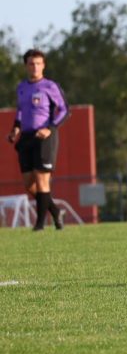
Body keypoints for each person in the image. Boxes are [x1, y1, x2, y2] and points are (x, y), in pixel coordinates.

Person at [7, 49, 69, 231]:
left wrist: (50, 129)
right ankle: (55, 211)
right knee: (29, 184)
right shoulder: (21, 87)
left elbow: (65, 110)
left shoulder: (50, 86)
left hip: (44, 137)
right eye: (31, 64)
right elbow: (20, 112)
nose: (35, 67)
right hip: (26, 138)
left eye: (38, 63)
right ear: (26, 66)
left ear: (44, 65)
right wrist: (15, 130)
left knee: (42, 181)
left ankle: (40, 225)